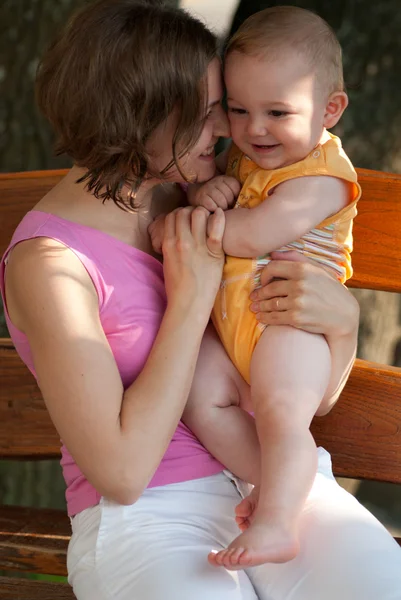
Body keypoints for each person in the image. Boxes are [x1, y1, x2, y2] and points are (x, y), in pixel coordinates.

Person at [0, 1, 400, 599]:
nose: (231, 130)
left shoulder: (198, 191)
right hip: (152, 516)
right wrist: (188, 302)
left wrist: (342, 327)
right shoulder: (50, 264)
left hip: (274, 483)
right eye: (214, 112)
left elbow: (305, 400)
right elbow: (123, 474)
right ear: (142, 117)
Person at [153, 6, 361, 569]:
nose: (254, 128)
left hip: (291, 324)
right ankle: (273, 480)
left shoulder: (322, 176)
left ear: (330, 109)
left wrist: (188, 225)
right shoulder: (248, 163)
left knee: (280, 412)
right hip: (241, 331)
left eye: (277, 111)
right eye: (239, 111)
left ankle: (278, 523)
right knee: (198, 394)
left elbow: (255, 233)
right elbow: (233, 202)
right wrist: (207, 193)